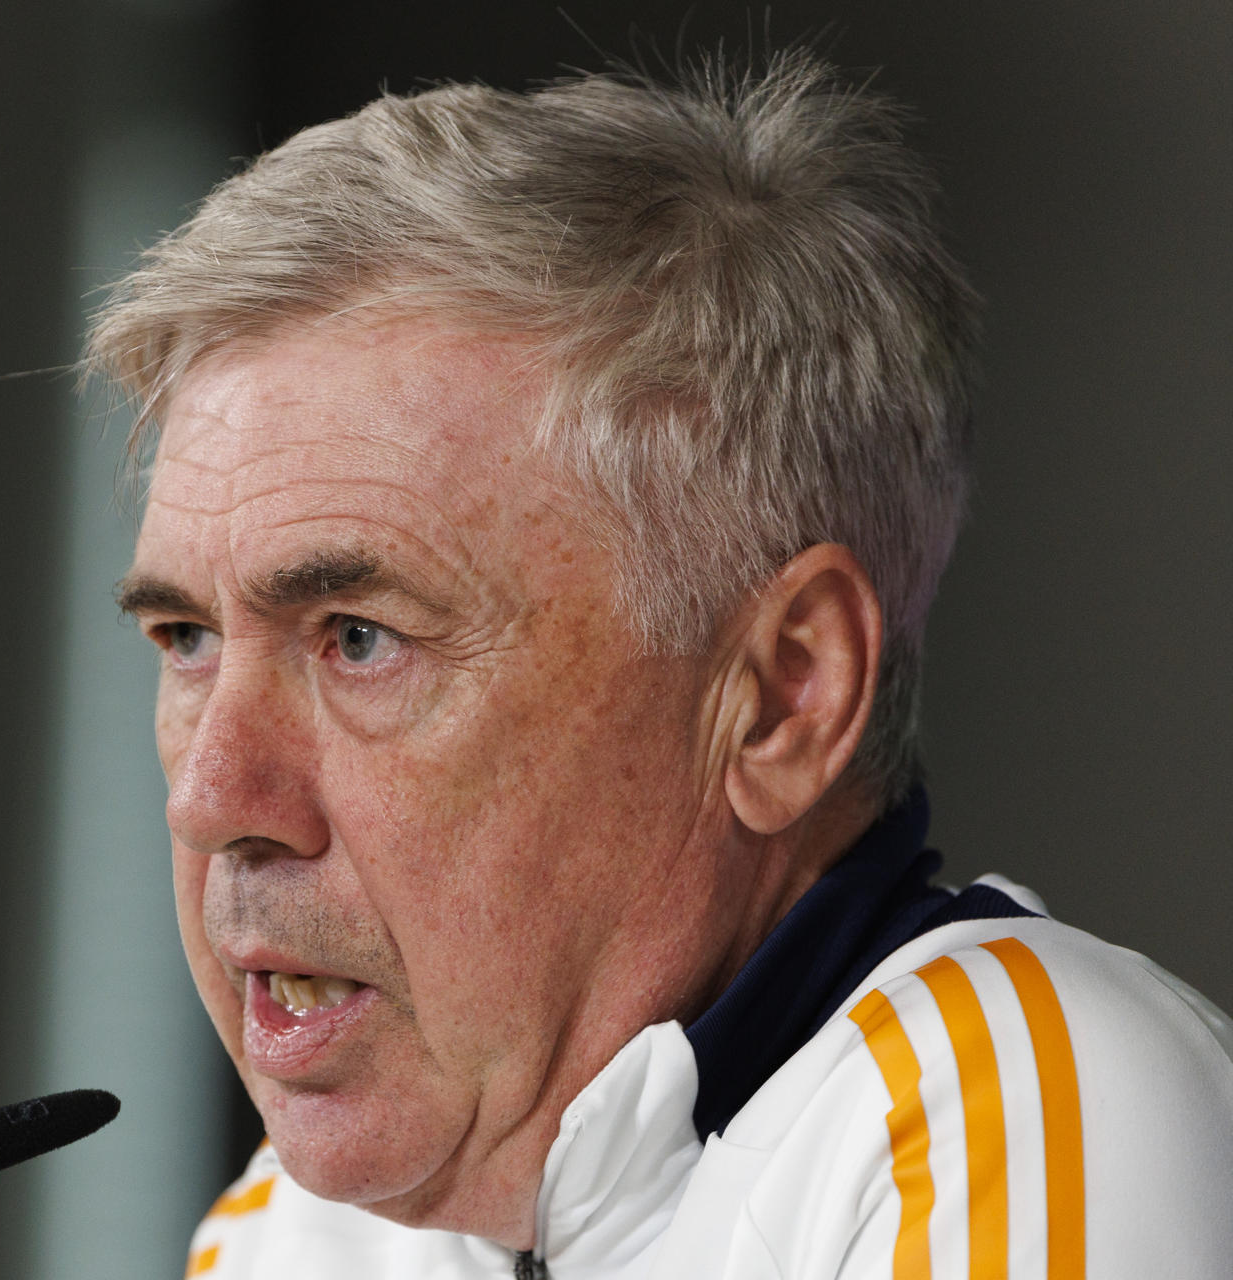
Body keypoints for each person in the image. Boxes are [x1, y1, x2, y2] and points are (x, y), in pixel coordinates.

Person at [89, 50, 1233, 1279]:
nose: (211, 799)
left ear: (783, 696)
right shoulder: (296, 1234)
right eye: (189, 640)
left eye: (360, 638)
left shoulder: (1011, 1096)